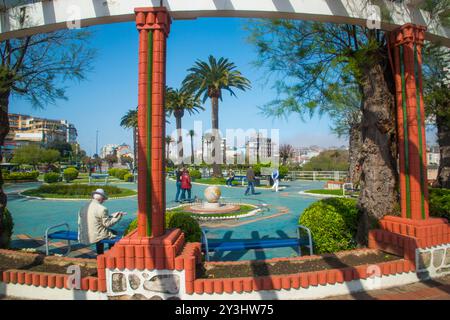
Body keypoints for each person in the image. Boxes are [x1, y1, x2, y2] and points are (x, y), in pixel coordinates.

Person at [78, 188, 126, 254]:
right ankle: (110, 254)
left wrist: (115, 214)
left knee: (99, 230)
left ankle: (100, 254)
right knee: (113, 233)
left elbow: (98, 218)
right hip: (94, 236)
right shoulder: (102, 209)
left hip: (83, 234)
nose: (104, 201)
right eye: (103, 199)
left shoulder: (84, 206)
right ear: (100, 199)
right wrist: (119, 217)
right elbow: (108, 224)